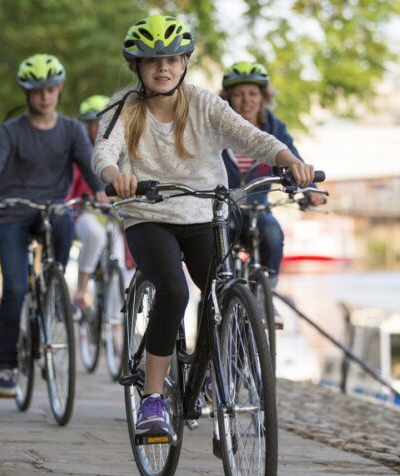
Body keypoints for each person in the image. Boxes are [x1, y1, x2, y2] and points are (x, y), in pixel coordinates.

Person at [92, 15, 315, 438]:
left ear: (185, 63)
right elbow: (105, 149)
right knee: (174, 291)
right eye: (153, 60)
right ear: (136, 67)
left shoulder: (203, 103)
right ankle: (153, 400)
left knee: (222, 295)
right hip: (149, 215)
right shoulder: (124, 107)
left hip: (204, 215)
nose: (163, 68)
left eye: (172, 59)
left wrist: (289, 161)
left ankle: (213, 378)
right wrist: (112, 174)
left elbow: (252, 137)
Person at [0, 53, 105, 398]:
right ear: (27, 93)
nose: (45, 96)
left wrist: (102, 191)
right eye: (37, 90)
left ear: (59, 90)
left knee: (64, 222)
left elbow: (90, 167)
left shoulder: (72, 130)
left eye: (51, 89)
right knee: (14, 288)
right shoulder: (11, 131)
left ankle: (54, 286)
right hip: (12, 212)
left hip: (51, 209)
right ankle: (6, 367)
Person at [221, 61, 326, 288]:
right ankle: (216, 300)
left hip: (257, 209)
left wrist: (311, 190)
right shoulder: (217, 126)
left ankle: (266, 294)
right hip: (222, 210)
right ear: (228, 98)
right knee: (215, 256)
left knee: (272, 233)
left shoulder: (274, 128)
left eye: (252, 93)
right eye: (238, 94)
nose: (246, 100)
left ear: (263, 96)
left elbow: (294, 161)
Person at [67, 95, 124, 309]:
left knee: (119, 262)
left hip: (112, 215)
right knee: (95, 236)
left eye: (105, 124)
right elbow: (70, 187)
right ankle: (81, 290)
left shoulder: (120, 151)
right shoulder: (81, 152)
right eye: (95, 124)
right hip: (85, 213)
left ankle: (115, 322)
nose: (100, 129)